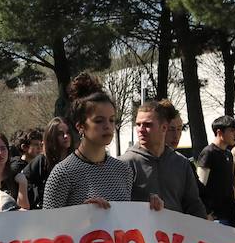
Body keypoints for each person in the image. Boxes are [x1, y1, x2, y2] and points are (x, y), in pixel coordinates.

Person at [44, 74, 165, 213]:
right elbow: (47, 228)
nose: (107, 126)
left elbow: (127, 220)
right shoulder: (63, 173)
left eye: (112, 120)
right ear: (80, 126)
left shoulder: (123, 171)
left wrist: (151, 208)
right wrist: (82, 216)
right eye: (99, 121)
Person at [121, 100, 206, 216]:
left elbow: (194, 206)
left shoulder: (182, 163)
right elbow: (118, 209)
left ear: (164, 128)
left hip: (176, 232)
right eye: (138, 124)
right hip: (139, 233)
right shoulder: (124, 164)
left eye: (148, 125)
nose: (141, 129)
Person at [18, 118, 71, 210]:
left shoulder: (76, 160)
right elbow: (22, 178)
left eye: (68, 132)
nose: (66, 136)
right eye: (60, 134)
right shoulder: (42, 161)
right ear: (51, 137)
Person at [198, 115, 235, 226]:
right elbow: (199, 186)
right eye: (232, 131)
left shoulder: (229, 154)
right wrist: (206, 213)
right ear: (219, 132)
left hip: (230, 215)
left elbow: (231, 187)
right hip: (214, 218)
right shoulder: (208, 153)